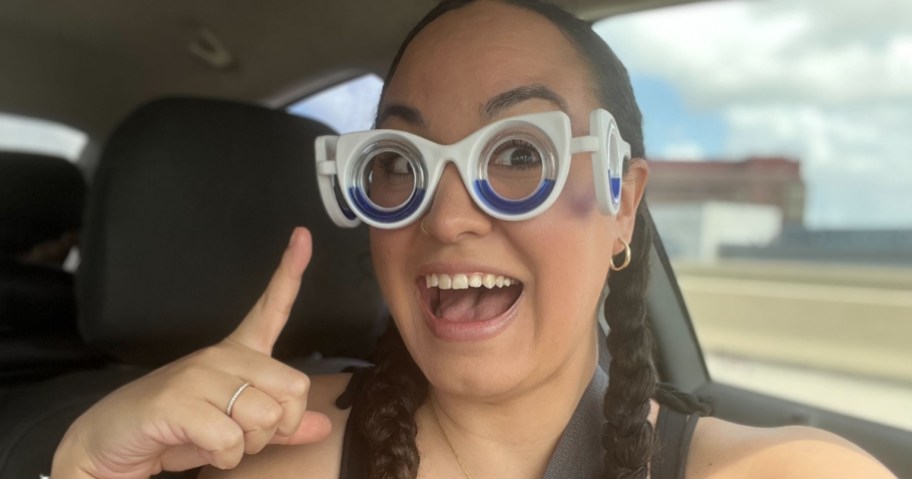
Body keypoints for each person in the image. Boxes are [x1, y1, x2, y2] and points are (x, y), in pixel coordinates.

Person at [51, 1, 896, 478]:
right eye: (398, 164)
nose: (446, 218)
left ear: (623, 203)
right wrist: (82, 466)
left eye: (519, 155)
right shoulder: (266, 455)